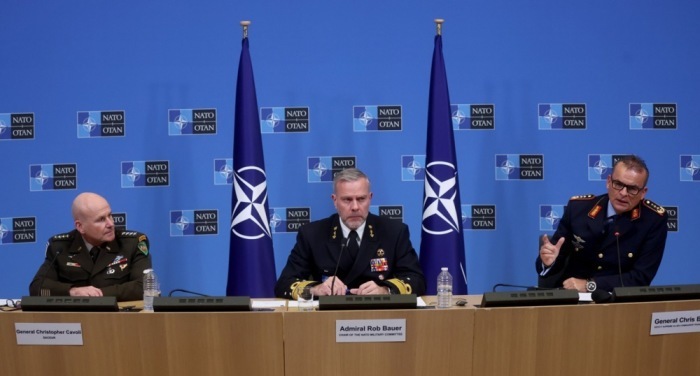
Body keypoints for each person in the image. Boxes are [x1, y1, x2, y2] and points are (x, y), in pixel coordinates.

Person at [275, 168, 425, 299]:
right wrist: (316, 289)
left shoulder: (394, 232)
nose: (355, 207)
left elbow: (416, 280)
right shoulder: (312, 234)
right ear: (335, 201)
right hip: (327, 319)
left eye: (361, 199)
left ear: (370, 198)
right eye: (347, 200)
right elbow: (284, 283)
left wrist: (385, 290)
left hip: (380, 317)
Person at [536, 155, 668, 293]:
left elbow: (641, 277)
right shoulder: (578, 209)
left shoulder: (653, 220)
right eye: (618, 184)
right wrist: (548, 262)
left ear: (643, 193)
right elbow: (554, 259)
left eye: (632, 189)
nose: (623, 193)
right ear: (608, 182)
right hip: (573, 297)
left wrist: (589, 285)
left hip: (619, 302)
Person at [29, 192, 152, 301]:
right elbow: (37, 287)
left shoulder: (132, 243)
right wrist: (73, 291)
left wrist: (95, 295)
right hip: (75, 322)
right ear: (80, 226)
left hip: (117, 320)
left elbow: (144, 286)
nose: (110, 224)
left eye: (110, 215)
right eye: (101, 219)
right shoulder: (60, 247)